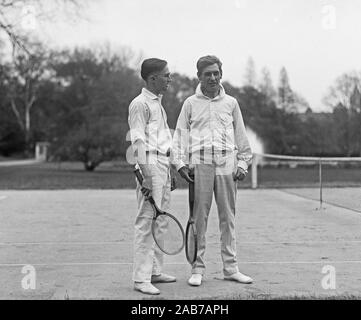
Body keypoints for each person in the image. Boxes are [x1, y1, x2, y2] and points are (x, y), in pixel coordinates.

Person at [172, 55, 253, 286]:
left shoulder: (231, 103)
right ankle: (197, 269)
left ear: (221, 74)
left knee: (228, 218)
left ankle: (231, 268)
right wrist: (179, 164)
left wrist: (242, 163)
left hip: (227, 163)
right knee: (199, 219)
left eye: (216, 73)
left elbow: (241, 136)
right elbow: (179, 136)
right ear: (199, 76)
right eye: (207, 74)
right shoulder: (190, 103)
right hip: (200, 163)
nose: (212, 77)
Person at [128, 58, 176, 295]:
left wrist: (171, 168)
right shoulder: (139, 104)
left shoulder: (159, 103)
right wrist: (146, 175)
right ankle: (140, 278)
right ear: (152, 78)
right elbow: (137, 142)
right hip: (150, 165)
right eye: (166, 75)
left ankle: (154, 271)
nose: (170, 78)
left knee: (161, 219)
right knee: (146, 220)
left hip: (163, 165)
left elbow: (165, 140)